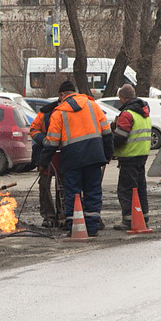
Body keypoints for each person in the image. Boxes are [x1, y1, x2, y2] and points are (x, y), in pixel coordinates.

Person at [40, 80, 113, 236]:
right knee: (93, 192)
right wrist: (107, 155)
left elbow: (52, 142)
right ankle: (92, 228)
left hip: (72, 159)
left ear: (62, 95)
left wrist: (43, 163)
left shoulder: (59, 113)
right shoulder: (93, 106)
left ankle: (76, 228)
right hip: (94, 156)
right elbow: (107, 133)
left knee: (73, 194)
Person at [111, 84, 152, 230]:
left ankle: (128, 220)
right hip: (142, 155)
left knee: (126, 189)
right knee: (140, 188)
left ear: (124, 97)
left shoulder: (127, 114)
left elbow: (121, 137)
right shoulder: (143, 112)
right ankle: (143, 217)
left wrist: (110, 144)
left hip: (129, 156)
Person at [30, 99, 63, 228]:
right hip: (46, 154)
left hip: (63, 154)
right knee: (44, 186)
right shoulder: (45, 114)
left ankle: (62, 215)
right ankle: (48, 216)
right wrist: (44, 140)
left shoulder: (68, 113)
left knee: (62, 186)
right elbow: (34, 130)